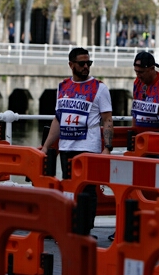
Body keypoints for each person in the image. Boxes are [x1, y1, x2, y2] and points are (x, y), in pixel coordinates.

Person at [40, 47, 113, 235]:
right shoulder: (63, 86)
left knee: (88, 191)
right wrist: (47, 146)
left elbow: (107, 119)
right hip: (66, 147)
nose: (86, 66)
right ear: (71, 65)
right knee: (69, 189)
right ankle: (70, 228)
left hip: (88, 148)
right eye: (82, 63)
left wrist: (107, 148)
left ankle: (85, 230)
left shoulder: (99, 88)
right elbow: (58, 118)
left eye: (89, 63)